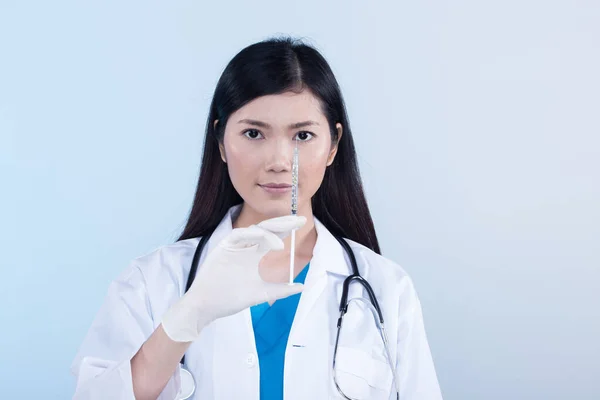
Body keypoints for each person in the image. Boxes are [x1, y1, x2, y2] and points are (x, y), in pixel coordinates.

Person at [70, 37, 443, 400]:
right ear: (220, 142)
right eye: (253, 133)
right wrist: (185, 319)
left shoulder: (385, 288)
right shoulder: (153, 282)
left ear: (332, 145)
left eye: (303, 135)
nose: (279, 160)